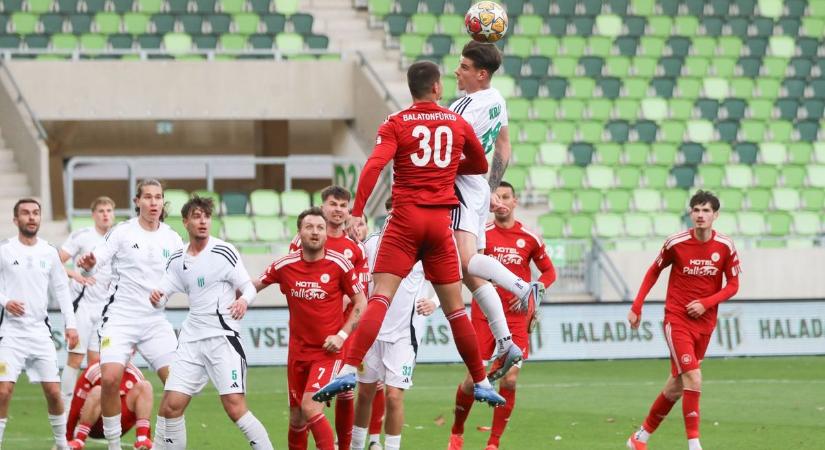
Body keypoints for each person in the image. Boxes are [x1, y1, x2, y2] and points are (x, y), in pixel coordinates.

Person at [314, 61, 504, 408]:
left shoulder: (396, 123)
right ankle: (480, 380)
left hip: (403, 223)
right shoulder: (457, 122)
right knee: (457, 311)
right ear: (436, 88)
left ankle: (343, 369)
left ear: (411, 89)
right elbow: (479, 165)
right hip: (439, 225)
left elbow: (374, 166)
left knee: (380, 299)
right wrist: (444, 167)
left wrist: (357, 211)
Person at [449, 40, 544, 381]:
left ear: (481, 73)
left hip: (459, 186)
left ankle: (522, 287)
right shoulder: (497, 99)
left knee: (465, 262)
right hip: (477, 187)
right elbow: (504, 145)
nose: (456, 71)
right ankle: (506, 340)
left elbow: (448, 156)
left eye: (463, 66)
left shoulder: (463, 107)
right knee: (471, 275)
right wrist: (489, 189)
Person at [150, 196, 273, 450]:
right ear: (186, 222)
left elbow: (248, 288)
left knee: (234, 407)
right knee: (171, 406)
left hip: (222, 339)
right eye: (197, 216)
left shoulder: (223, 251)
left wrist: (243, 302)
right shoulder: (177, 259)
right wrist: (156, 297)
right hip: (191, 340)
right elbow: (162, 293)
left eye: (206, 216)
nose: (203, 221)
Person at [626, 190, 741, 450]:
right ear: (691, 214)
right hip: (676, 320)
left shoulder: (725, 246)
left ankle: (640, 438)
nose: (701, 215)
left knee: (677, 386)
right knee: (694, 377)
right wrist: (637, 305)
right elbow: (653, 271)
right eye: (696, 210)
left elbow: (733, 285)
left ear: (716, 215)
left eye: (706, 211)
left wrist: (706, 303)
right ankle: (694, 444)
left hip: (706, 323)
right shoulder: (675, 243)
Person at [448, 181, 557, 450]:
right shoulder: (479, 233)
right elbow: (470, 266)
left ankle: (493, 443)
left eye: (506, 197)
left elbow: (549, 273)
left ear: (515, 201)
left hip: (517, 317)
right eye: (497, 197)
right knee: (473, 379)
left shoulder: (530, 237)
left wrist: (533, 297)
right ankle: (457, 431)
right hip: (485, 314)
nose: (502, 202)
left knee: (510, 378)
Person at [77, 179, 183, 450]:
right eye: (147, 197)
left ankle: (160, 442)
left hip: (155, 321)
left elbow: (183, 276)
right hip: (120, 318)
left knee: (178, 385)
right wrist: (88, 266)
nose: (153, 203)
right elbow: (97, 258)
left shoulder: (172, 237)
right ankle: (114, 445)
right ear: (137, 201)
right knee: (110, 378)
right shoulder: (122, 231)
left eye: (158, 197)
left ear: (163, 202)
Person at [254, 207, 367, 450]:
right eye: (309, 227)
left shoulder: (341, 264)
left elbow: (361, 302)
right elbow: (255, 285)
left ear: (326, 233)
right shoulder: (284, 265)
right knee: (296, 419)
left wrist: (342, 335)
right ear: (299, 233)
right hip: (297, 353)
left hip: (328, 352)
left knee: (310, 406)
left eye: (319, 228)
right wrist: (237, 297)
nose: (315, 232)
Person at [351, 196, 440, 450]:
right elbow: (353, 277)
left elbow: (449, 279)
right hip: (371, 331)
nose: (394, 216)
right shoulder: (370, 245)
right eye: (390, 212)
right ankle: (357, 446)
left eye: (399, 211)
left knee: (393, 395)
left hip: (403, 335)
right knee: (365, 393)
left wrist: (434, 301)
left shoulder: (423, 248)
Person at [288, 186, 370, 450]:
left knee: (345, 391)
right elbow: (292, 276)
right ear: (322, 207)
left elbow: (363, 290)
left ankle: (344, 446)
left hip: (343, 331)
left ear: (348, 212)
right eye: (333, 204)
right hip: (307, 334)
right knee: (300, 407)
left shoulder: (355, 247)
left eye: (343, 206)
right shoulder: (300, 242)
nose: (338, 210)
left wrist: (344, 298)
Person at [0, 198, 79, 450]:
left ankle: (61, 444)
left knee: (54, 393)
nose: (31, 217)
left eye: (35, 213)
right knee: (3, 391)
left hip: (39, 333)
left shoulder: (48, 251)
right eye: (25, 213)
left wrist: (71, 324)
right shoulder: (5, 250)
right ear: (16, 220)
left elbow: (61, 289)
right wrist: (5, 302)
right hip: (11, 333)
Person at [58, 196, 116, 407]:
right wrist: (75, 274)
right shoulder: (82, 236)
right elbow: (54, 261)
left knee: (96, 364)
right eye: (101, 211)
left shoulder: (117, 239)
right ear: (93, 215)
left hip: (105, 309)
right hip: (81, 307)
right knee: (74, 359)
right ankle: (64, 411)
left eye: (109, 210)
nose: (105, 214)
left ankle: (89, 410)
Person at [66, 361, 154, 450]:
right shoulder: (93, 371)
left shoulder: (134, 372)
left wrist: (147, 437)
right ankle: (79, 441)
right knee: (98, 391)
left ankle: (142, 439)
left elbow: (144, 407)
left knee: (145, 386)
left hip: (122, 424)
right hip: (97, 425)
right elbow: (76, 406)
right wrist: (67, 439)